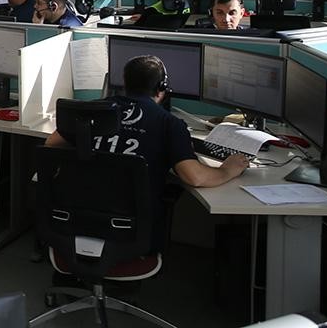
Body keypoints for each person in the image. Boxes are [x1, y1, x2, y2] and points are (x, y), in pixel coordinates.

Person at [45, 56, 248, 248]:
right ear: (162, 89)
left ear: (125, 83)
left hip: (75, 220)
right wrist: (226, 170)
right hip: (129, 230)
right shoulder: (169, 123)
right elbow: (194, 176)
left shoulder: (92, 111)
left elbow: (51, 144)